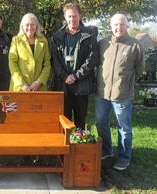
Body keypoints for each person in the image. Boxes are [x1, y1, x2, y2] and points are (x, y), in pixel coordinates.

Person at [96, 13, 145, 171]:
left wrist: (128, 83)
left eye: (122, 25)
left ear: (126, 26)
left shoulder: (135, 45)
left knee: (124, 128)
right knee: (101, 122)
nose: (118, 28)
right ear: (111, 26)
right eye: (115, 25)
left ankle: (124, 157)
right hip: (102, 93)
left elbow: (140, 69)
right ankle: (107, 149)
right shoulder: (103, 43)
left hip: (122, 95)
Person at [51, 2, 98, 129]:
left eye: (75, 16)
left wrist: (76, 76)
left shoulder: (89, 35)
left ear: (80, 16)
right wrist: (65, 76)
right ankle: (65, 147)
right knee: (64, 120)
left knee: (80, 119)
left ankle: (79, 146)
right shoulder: (57, 36)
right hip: (63, 84)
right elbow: (55, 60)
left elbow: (92, 59)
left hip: (81, 84)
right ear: (65, 17)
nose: (72, 19)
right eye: (69, 16)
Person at [9, 13, 51, 92]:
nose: (30, 27)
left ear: (36, 26)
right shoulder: (16, 40)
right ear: (22, 26)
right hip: (19, 88)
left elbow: (47, 65)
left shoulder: (44, 41)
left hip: (38, 89)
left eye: (32, 24)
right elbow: (12, 63)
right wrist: (22, 84)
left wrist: (38, 82)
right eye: (27, 25)